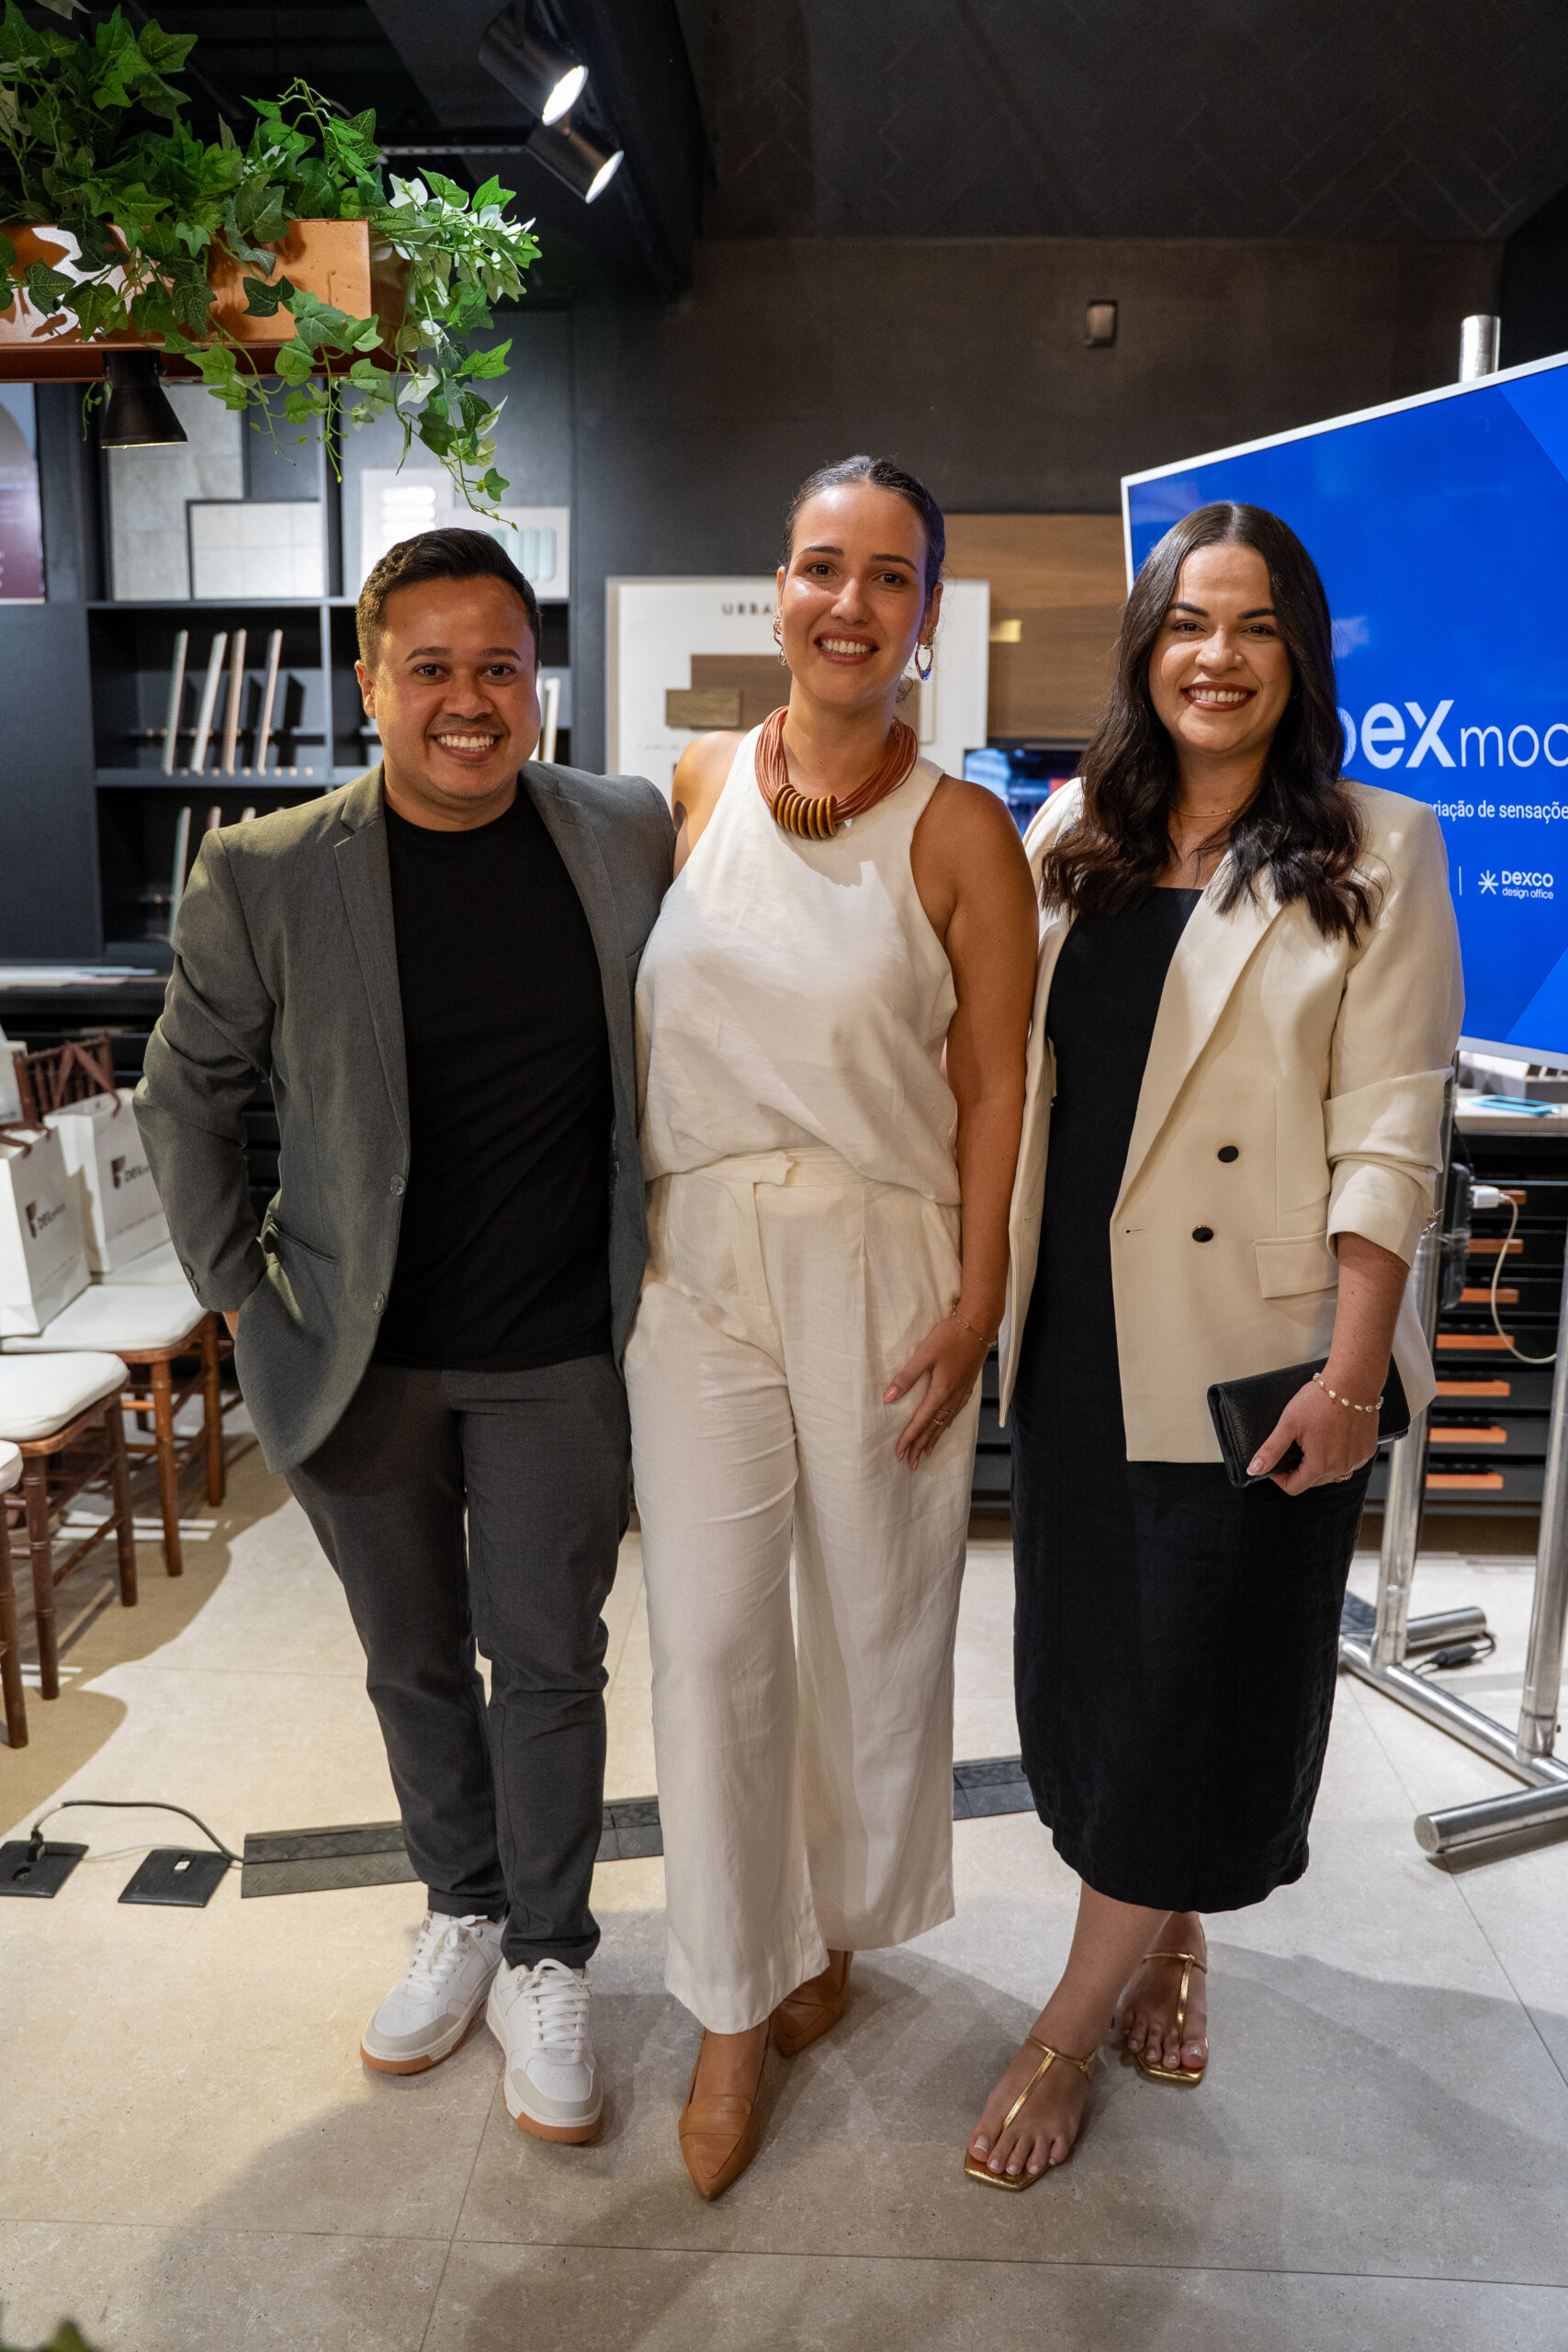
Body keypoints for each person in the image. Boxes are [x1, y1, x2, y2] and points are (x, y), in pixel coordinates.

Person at [137, 528, 673, 2147]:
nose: (467, 701)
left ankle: (550, 1953)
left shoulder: (622, 830)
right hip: (352, 1350)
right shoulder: (267, 869)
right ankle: (461, 1907)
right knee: (413, 1661)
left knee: (552, 1662)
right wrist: (238, 1294)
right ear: (369, 684)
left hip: (559, 1350)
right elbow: (185, 1097)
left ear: (538, 682)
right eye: (428, 668)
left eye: (498, 666)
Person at [964, 502, 1463, 2188]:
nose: (1218, 656)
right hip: (1079, 1330)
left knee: (1195, 1683)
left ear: (1299, 654)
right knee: (1101, 1679)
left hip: (1262, 1350)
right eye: (1188, 621)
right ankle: (1167, 1932)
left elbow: (1392, 1133)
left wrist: (1352, 1372)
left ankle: (1066, 2023)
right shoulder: (1072, 833)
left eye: (1254, 626)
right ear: (1146, 646)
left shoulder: (1381, 846)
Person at [628, 454, 1038, 2199]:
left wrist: (978, 1298)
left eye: (886, 576)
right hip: (698, 1261)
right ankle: (732, 2006)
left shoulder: (963, 831)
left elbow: (997, 1085)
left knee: (872, 1622)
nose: (847, 602)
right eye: (819, 566)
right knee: (713, 1636)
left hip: (882, 1255)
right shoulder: (698, 780)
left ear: (926, 611)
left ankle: (832, 1927)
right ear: (777, 589)